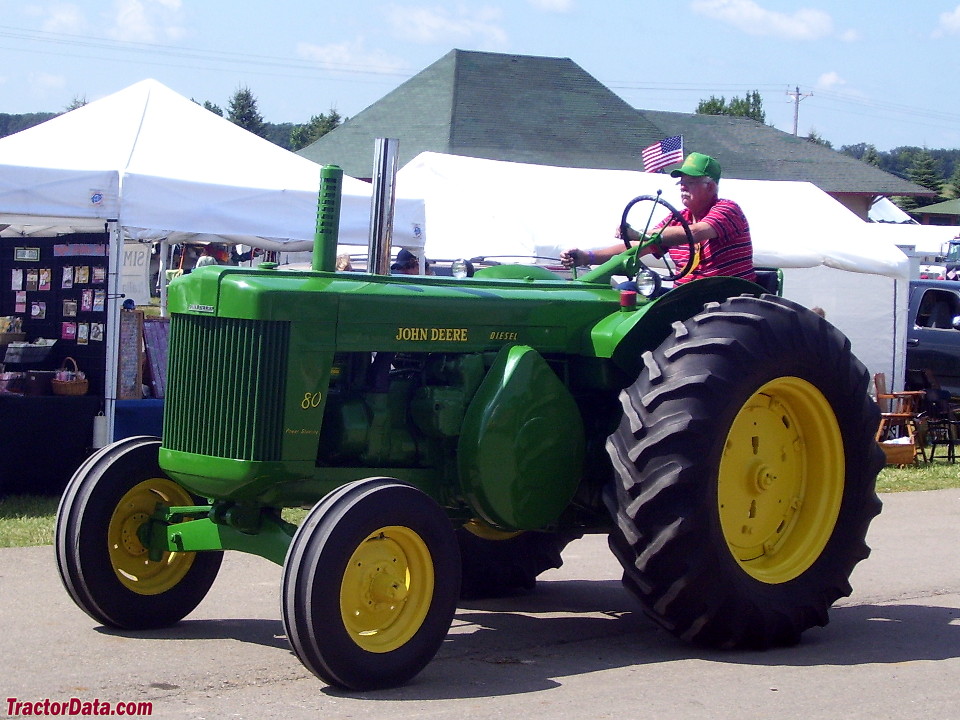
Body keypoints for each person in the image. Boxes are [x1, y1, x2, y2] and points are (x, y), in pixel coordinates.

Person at [561, 152, 755, 286]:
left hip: (726, 296)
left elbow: (694, 233)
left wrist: (639, 233)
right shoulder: (678, 218)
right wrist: (588, 257)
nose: (682, 187)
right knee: (626, 291)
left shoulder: (727, 210)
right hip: (687, 294)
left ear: (710, 187)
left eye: (691, 182)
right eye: (681, 183)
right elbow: (638, 247)